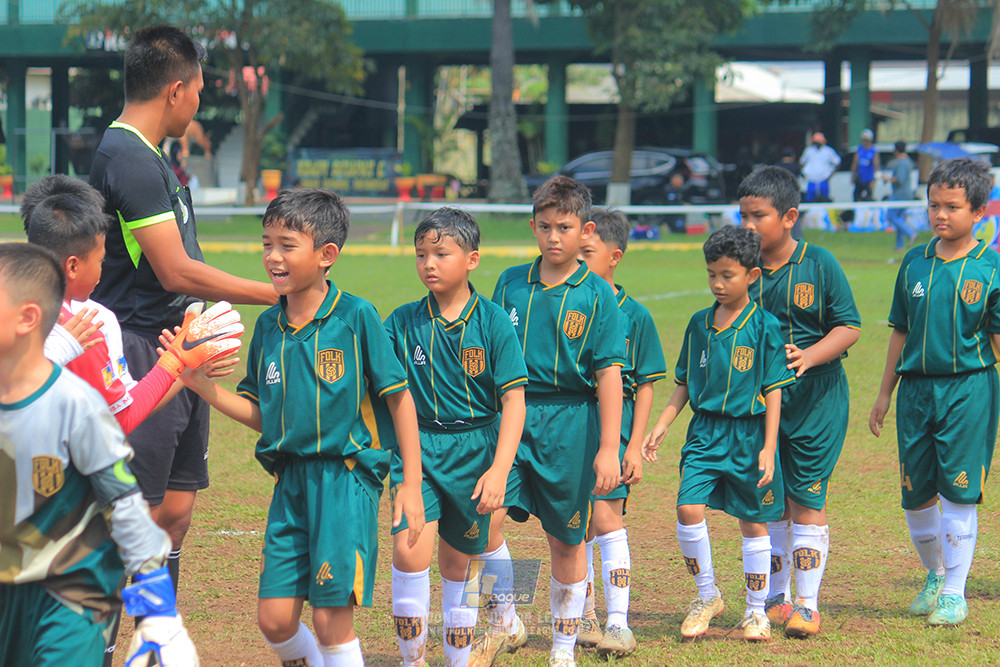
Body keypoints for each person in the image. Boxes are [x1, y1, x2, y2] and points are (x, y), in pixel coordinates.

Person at [178, 188, 425, 665]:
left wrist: (409, 484)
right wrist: (205, 389)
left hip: (345, 479)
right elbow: (261, 412)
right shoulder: (269, 326)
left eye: (287, 245)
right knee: (274, 619)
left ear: (327, 254)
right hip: (289, 481)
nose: (273, 256)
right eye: (266, 243)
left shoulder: (357, 317)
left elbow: (400, 400)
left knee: (333, 620)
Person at [88, 25, 277, 594]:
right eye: (197, 91)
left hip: (179, 341)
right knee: (141, 510)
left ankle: (159, 635)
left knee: (176, 508)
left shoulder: (149, 156)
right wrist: (277, 292)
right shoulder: (128, 157)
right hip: (144, 350)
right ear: (175, 90)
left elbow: (182, 264)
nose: (199, 104)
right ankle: (128, 637)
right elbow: (176, 271)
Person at [0, 242, 199, 667]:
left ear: (28, 318)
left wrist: (159, 611)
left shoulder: (76, 407)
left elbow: (126, 507)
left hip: (70, 594)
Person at [470, 175, 626, 667]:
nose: (554, 237)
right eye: (544, 226)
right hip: (513, 416)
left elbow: (609, 376)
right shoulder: (512, 283)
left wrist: (607, 447)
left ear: (586, 230)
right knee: (483, 519)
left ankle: (562, 650)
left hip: (572, 424)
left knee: (566, 540)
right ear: (532, 226)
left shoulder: (598, 294)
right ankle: (508, 618)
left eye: (565, 226)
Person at [383, 207, 527, 667]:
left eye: (440, 253)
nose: (428, 263)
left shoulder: (493, 322)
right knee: (409, 553)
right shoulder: (402, 322)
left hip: (476, 451)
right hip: (418, 451)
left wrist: (500, 468)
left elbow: (514, 401)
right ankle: (413, 661)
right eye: (421, 253)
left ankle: (500, 619)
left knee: (463, 561)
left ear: (472, 259)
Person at [643, 224, 795, 642]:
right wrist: (661, 423)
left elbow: (775, 390)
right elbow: (685, 384)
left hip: (749, 435)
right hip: (705, 434)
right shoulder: (698, 324)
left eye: (727, 275)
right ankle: (707, 595)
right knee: (688, 509)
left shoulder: (764, 326)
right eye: (712, 274)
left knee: (753, 522)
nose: (718, 283)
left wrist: (768, 447)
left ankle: (754, 611)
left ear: (751, 275)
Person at [870, 158, 1000, 627]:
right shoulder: (914, 262)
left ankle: (954, 592)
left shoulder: (990, 268)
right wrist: (885, 393)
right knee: (916, 494)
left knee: (960, 492)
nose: (940, 215)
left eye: (952, 207)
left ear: (979, 211)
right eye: (933, 206)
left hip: (969, 389)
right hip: (916, 393)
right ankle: (934, 574)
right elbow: (900, 331)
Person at [738, 166, 861, 638]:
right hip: (758, 406)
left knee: (806, 495)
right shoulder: (742, 269)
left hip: (816, 400)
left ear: (789, 216)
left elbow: (848, 326)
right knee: (769, 497)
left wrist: (808, 356)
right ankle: (775, 597)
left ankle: (807, 605)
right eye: (743, 215)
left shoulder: (819, 263)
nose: (748, 226)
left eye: (759, 216)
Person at [577, 208, 666, 656]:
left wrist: (633, 444)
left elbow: (646, 384)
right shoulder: (568, 300)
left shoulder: (636, 315)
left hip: (615, 425)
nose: (577, 257)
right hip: (570, 424)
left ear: (614, 257)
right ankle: (584, 614)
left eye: (587, 252)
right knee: (577, 524)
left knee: (606, 518)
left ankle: (618, 623)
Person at [885, 140, 917, 250]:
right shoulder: (907, 161)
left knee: (891, 216)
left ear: (896, 150)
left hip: (900, 194)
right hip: (906, 193)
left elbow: (900, 180)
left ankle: (911, 233)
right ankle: (899, 245)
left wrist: (888, 179)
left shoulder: (903, 163)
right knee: (899, 218)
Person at [799, 132, 840, 203]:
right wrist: (805, 173)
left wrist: (830, 175)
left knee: (824, 199)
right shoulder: (809, 150)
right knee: (810, 200)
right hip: (811, 180)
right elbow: (802, 162)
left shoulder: (828, 151)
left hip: (823, 179)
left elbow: (837, 162)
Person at [851, 129, 879, 202]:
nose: (865, 142)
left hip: (869, 179)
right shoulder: (859, 150)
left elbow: (876, 165)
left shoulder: (873, 151)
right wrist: (853, 175)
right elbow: (855, 163)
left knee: (868, 198)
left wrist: (874, 180)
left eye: (867, 140)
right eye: (864, 140)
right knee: (856, 197)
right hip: (860, 178)